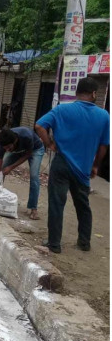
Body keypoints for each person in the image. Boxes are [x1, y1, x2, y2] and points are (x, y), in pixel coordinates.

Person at [34, 77, 109, 253]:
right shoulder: (104, 116)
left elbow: (39, 126)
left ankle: (54, 244)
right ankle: (84, 243)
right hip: (83, 168)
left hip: (61, 163)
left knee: (56, 203)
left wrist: (49, 144)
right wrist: (96, 166)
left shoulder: (62, 109)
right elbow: (104, 146)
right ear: (93, 94)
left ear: (76, 93)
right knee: (83, 206)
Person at [0, 128, 45, 220]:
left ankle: (33, 209)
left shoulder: (26, 136)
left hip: (35, 150)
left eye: (9, 147)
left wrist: (11, 167)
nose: (7, 150)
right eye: (5, 148)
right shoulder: (3, 144)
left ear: (15, 141)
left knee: (34, 176)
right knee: (2, 169)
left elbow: (28, 154)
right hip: (19, 151)